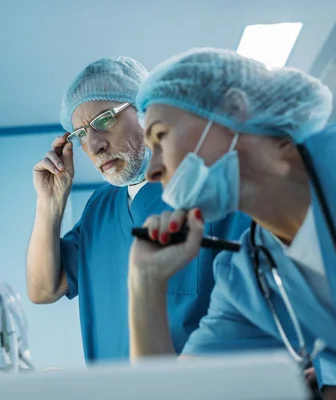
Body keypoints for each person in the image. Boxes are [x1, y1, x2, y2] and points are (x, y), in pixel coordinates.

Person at [128, 47, 336, 394]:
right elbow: (171, 394)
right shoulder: (250, 280)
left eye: (161, 136)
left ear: (233, 109)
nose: (152, 171)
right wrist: (144, 284)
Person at [25, 56, 250, 363]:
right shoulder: (99, 209)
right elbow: (43, 289)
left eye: (104, 120)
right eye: (80, 135)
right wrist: (49, 204)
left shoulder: (205, 186)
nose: (94, 145)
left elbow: (255, 309)